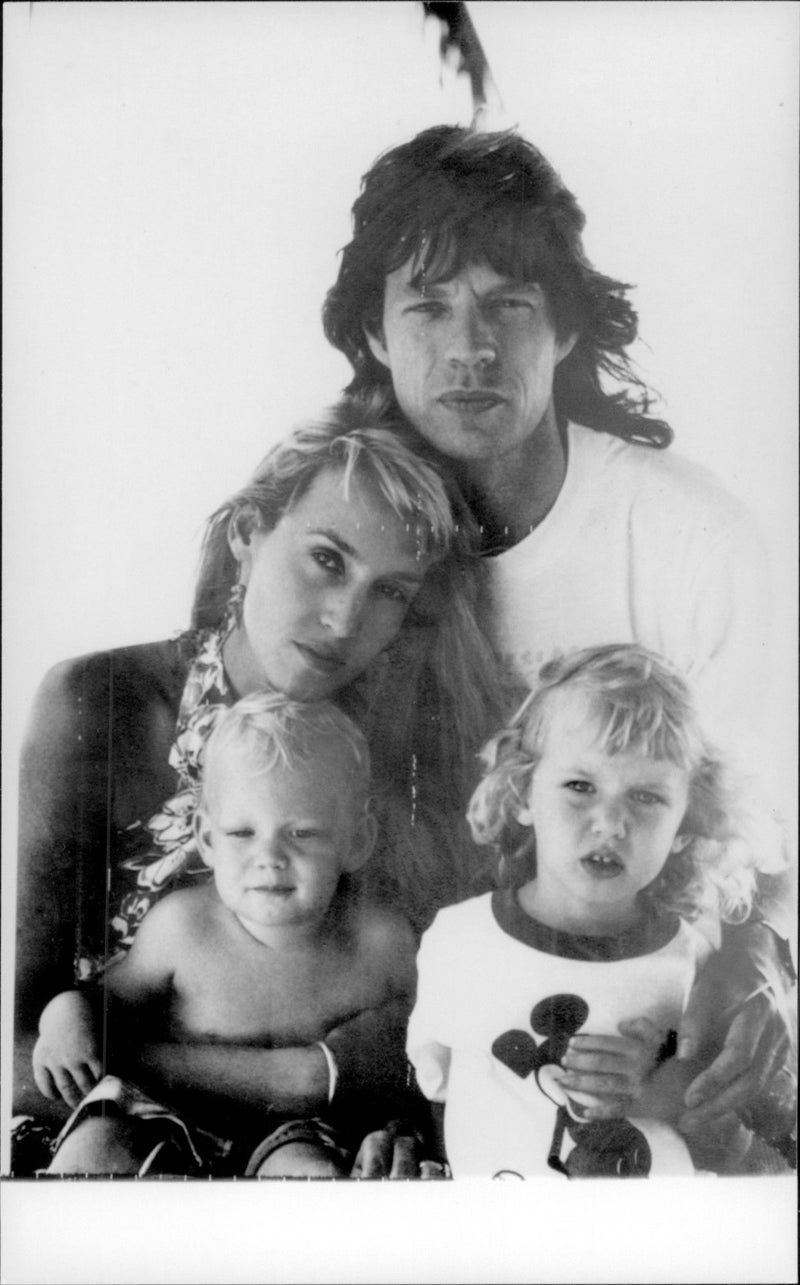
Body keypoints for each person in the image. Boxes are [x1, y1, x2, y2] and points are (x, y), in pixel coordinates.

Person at [322, 125, 795, 1165]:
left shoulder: (689, 538)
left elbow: (755, 842)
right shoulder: (339, 540)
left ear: (566, 330)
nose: (470, 348)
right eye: (428, 306)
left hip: (642, 1003)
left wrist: (754, 968)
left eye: (509, 304)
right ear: (373, 333)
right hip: (414, 993)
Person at [12, 390, 501, 1173]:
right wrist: (289, 1078)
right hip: (101, 1138)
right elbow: (20, 1043)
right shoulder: (100, 701)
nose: (345, 620)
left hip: (305, 1155)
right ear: (249, 533)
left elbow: (424, 1033)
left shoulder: (402, 764)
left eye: (390, 592)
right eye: (327, 559)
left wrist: (370, 1118)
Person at [407, 645, 795, 1178]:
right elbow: (439, 1080)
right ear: (523, 792)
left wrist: (654, 1087)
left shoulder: (696, 962)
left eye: (646, 797)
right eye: (580, 786)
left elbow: (717, 1120)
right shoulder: (460, 939)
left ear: (686, 824)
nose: (611, 822)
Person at [34, 692, 419, 1176]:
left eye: (302, 833)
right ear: (207, 839)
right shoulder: (183, 926)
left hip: (301, 1128)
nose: (270, 857)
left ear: (356, 841)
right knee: (94, 1152)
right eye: (242, 833)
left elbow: (422, 1051)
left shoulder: (380, 941)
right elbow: (103, 1003)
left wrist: (399, 1123)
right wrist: (64, 1016)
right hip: (165, 1110)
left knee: (314, 1176)